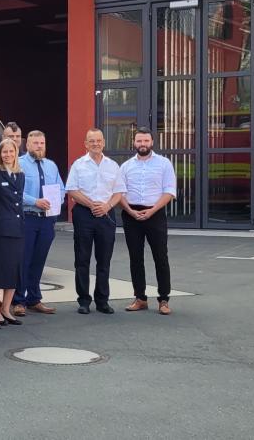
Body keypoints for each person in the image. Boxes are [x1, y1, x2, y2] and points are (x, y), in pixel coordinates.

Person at [65, 128, 126, 315]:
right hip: (84, 214)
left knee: (104, 260)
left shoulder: (113, 166)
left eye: (98, 140)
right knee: (82, 259)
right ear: (85, 144)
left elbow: (119, 192)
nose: (95, 144)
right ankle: (83, 300)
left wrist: (107, 206)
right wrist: (92, 204)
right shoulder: (78, 165)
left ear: (104, 143)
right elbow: (72, 190)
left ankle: (102, 301)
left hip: (106, 215)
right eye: (91, 141)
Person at [119, 128, 176, 315]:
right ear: (133, 143)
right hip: (131, 214)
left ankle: (164, 299)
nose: (142, 144)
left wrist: (152, 210)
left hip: (155, 213)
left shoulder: (164, 163)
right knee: (136, 258)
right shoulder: (126, 166)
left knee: (161, 257)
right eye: (139, 141)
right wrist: (130, 211)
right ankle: (140, 298)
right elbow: (119, 193)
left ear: (152, 142)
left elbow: (169, 191)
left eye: (146, 141)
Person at [11, 130, 61, 316]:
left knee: (39, 260)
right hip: (28, 217)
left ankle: (34, 298)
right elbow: (16, 191)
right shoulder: (19, 164)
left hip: (47, 220)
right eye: (35, 143)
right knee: (23, 260)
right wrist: (35, 201)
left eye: (42, 143)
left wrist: (57, 202)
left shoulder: (51, 166)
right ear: (28, 145)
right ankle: (18, 300)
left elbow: (60, 188)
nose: (39, 146)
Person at [0, 139, 25, 326]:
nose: (8, 155)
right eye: (4, 152)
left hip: (17, 229)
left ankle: (6, 308)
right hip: (0, 230)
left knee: (12, 271)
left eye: (11, 151)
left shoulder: (20, 175)